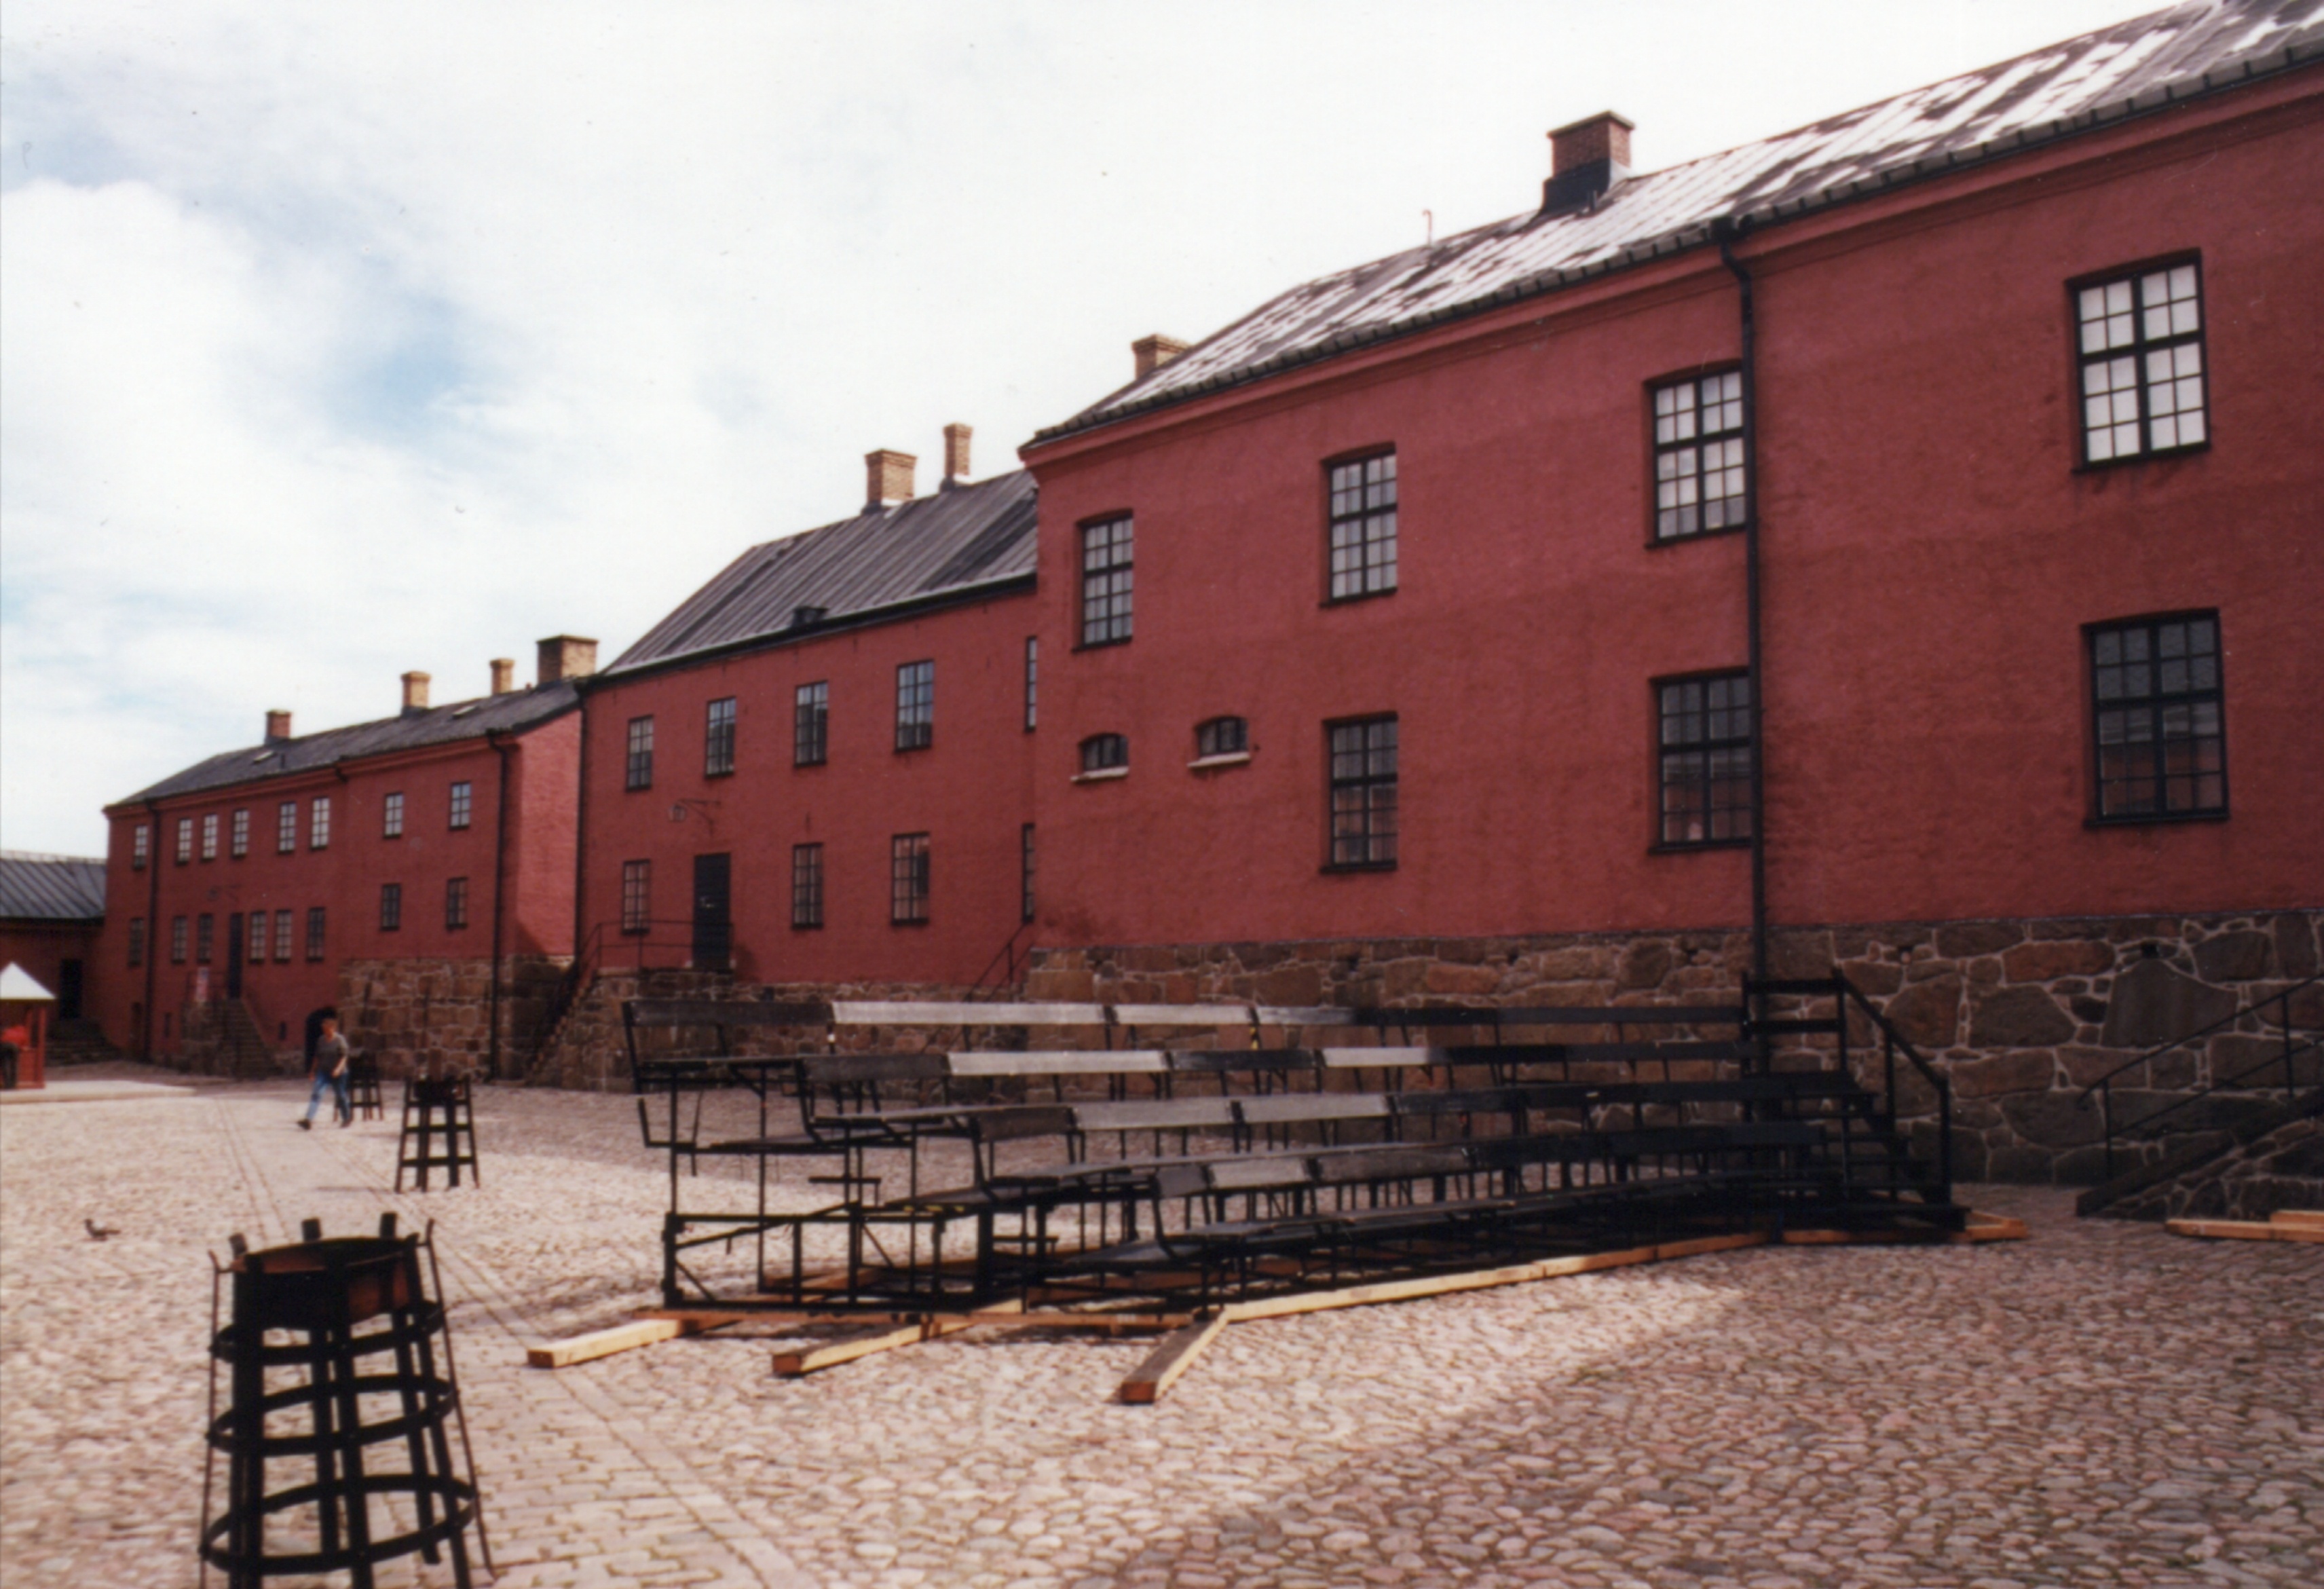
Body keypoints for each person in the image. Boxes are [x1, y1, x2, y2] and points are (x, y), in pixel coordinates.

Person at [299, 1017, 352, 1129]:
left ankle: (346, 1118)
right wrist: (313, 1071)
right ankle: (309, 1119)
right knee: (317, 1093)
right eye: (323, 1029)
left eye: (327, 1029)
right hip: (323, 1071)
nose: (325, 1032)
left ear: (333, 1028)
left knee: (341, 1095)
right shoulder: (321, 1040)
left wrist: (338, 1069)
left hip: (339, 1073)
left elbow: (344, 1057)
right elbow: (317, 1057)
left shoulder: (340, 1040)